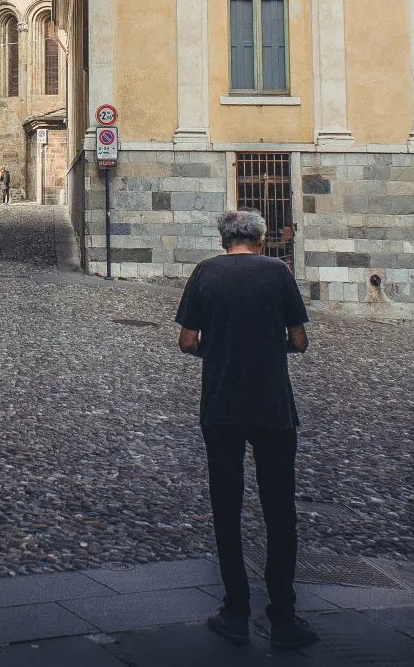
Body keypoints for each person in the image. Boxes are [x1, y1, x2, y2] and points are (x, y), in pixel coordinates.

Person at [175, 209, 318, 651]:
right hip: (273, 406)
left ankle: (235, 609)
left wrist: (216, 350)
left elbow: (186, 341)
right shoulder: (278, 272)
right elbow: (299, 339)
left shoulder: (204, 272)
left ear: (224, 242)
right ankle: (284, 615)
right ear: (259, 240)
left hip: (221, 404)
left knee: (226, 505)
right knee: (279, 509)